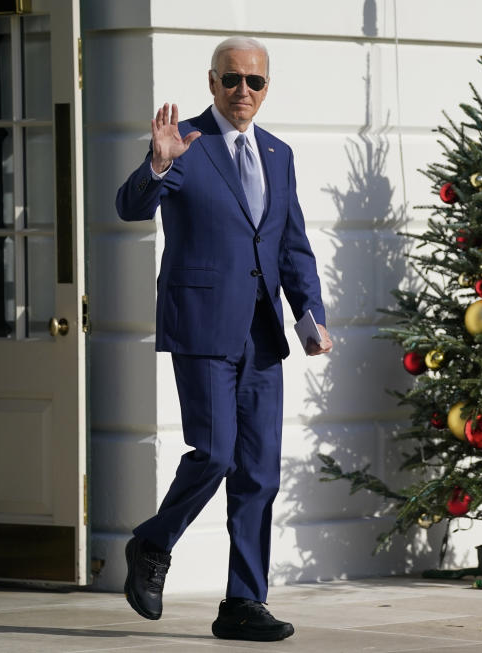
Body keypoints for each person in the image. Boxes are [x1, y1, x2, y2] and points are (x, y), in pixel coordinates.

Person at [115, 36, 332, 642]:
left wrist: (310, 317)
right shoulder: (184, 142)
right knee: (213, 453)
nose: (243, 92)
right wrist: (157, 166)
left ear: (267, 88)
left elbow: (290, 246)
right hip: (203, 327)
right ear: (212, 83)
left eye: (254, 82)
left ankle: (242, 602)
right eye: (231, 80)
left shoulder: (278, 154)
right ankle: (153, 544)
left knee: (259, 473)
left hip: (262, 336)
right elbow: (130, 206)